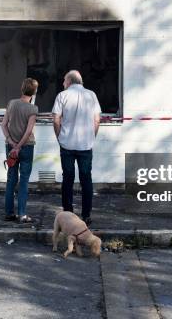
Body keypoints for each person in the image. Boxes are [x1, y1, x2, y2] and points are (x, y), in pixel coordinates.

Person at [52, 70, 101, 226]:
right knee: (86, 179)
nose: (62, 83)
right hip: (86, 145)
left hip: (66, 143)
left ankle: (68, 213)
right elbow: (97, 120)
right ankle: (86, 215)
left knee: (68, 178)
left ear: (70, 81)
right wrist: (91, 136)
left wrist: (59, 137)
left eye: (64, 81)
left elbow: (56, 119)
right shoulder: (91, 95)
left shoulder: (62, 95)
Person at [1, 78, 39, 223]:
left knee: (11, 179)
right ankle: (22, 214)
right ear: (34, 92)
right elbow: (29, 131)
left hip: (10, 147)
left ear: (22, 89)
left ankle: (9, 213)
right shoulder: (33, 109)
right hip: (27, 147)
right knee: (24, 181)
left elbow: (3, 125)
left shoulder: (11, 103)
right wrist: (19, 146)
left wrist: (12, 144)